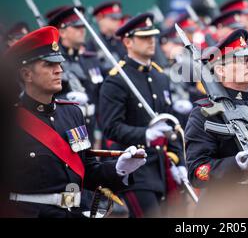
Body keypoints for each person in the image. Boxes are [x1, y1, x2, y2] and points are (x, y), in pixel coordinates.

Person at [6, 26, 146, 218]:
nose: (59, 70)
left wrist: (119, 169)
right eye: (49, 65)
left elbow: (87, 171)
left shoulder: (72, 113)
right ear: (26, 74)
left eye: (59, 63)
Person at [99, 13, 186, 217]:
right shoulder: (117, 79)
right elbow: (111, 127)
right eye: (144, 37)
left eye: (153, 36)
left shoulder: (160, 76)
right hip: (135, 168)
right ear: (128, 41)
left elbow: (169, 124)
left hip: (161, 166)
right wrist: (144, 134)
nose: (151, 41)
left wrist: (180, 161)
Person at [185, 28, 248, 190]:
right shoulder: (204, 114)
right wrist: (236, 164)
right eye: (242, 60)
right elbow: (197, 173)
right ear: (221, 70)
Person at [46, 6, 103, 142]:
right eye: (77, 27)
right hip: (65, 127)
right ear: (63, 32)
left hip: (91, 126)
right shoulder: (54, 60)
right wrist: (66, 97)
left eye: (83, 26)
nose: (82, 30)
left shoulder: (89, 59)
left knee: (89, 161)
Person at [86, 1, 127, 73]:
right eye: (113, 18)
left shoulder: (122, 42)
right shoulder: (91, 45)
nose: (118, 21)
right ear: (100, 18)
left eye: (119, 18)